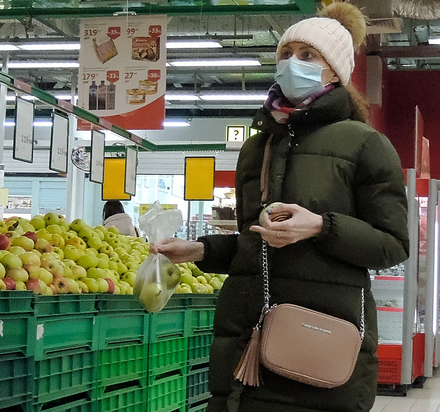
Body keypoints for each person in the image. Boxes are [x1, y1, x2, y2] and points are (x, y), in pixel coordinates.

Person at [151, 2, 410, 411]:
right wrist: (200, 250)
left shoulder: (366, 145)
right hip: (245, 341)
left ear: (334, 71)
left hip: (318, 343)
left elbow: (392, 244)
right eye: (286, 54)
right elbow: (253, 243)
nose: (293, 63)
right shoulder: (257, 148)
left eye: (308, 55)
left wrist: (321, 227)